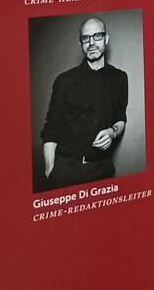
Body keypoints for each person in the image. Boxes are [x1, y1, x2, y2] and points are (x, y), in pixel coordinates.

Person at [41, 16, 128, 189]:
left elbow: (120, 118)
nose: (92, 43)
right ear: (80, 42)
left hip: (102, 169)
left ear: (106, 38)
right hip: (66, 170)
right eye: (86, 38)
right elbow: (51, 127)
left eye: (97, 36)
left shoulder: (120, 78)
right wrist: (50, 169)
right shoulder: (64, 81)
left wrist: (112, 132)